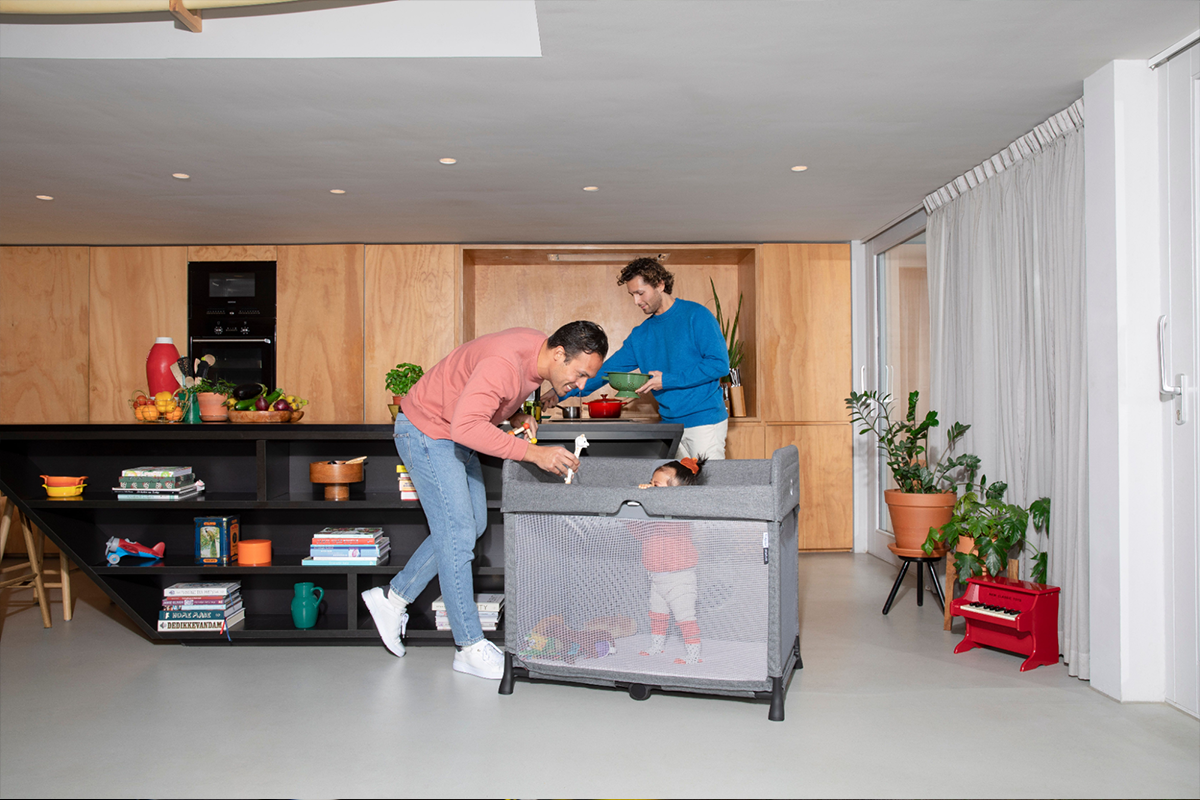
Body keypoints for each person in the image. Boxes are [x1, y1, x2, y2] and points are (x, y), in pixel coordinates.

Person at [361, 321, 608, 680]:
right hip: (428, 431)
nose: (582, 385)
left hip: (453, 432)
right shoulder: (504, 365)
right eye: (581, 373)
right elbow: (468, 424)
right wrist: (533, 454)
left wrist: (515, 414)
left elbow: (482, 398)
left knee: (471, 525)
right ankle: (469, 646)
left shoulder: (535, 351)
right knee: (459, 532)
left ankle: (393, 598)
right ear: (558, 354)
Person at [559, 257, 730, 460]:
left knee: (710, 488)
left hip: (705, 422)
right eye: (632, 295)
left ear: (660, 284)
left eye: (640, 293)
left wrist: (666, 380)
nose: (636, 301)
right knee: (671, 490)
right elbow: (605, 372)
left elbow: (719, 365)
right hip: (670, 425)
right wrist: (560, 392)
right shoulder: (641, 335)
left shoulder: (697, 315)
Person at [636, 456, 706, 664]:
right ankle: (657, 645)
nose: (649, 487)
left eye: (655, 485)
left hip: (679, 577)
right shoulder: (651, 515)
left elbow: (664, 526)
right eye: (650, 482)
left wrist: (646, 505)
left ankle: (693, 654)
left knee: (685, 617)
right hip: (656, 577)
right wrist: (636, 511)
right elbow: (639, 532)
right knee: (657, 613)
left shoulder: (679, 516)